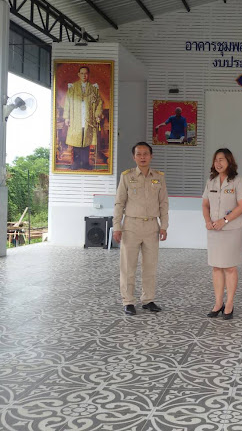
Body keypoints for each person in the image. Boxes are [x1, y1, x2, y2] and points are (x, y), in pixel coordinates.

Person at [113, 142, 169, 316]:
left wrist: (164, 226)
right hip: (131, 226)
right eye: (139, 154)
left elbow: (164, 203)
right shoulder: (126, 176)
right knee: (128, 266)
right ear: (134, 157)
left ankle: (148, 300)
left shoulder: (159, 177)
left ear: (151, 156)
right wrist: (117, 226)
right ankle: (128, 301)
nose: (142, 157)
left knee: (150, 266)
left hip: (152, 226)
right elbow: (119, 203)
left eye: (145, 154)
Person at [202, 148, 242, 320]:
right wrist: (208, 220)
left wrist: (225, 220)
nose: (218, 163)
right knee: (216, 267)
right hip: (214, 230)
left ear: (229, 161)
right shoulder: (211, 181)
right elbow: (205, 204)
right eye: (216, 160)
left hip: (231, 230)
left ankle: (229, 303)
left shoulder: (238, 181)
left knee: (230, 267)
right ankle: (218, 303)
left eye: (221, 159)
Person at [63, 65, 104, 169]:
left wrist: (97, 115)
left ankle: (85, 163)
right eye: (82, 73)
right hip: (75, 118)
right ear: (78, 74)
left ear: (88, 74)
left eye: (86, 73)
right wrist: (67, 117)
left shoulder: (93, 88)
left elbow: (99, 102)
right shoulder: (73, 88)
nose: (84, 75)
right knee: (76, 141)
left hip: (88, 118)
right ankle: (76, 163)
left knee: (86, 141)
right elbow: (67, 102)